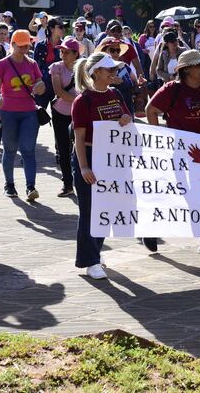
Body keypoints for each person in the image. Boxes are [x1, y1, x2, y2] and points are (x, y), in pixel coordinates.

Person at [143, 50, 200, 256]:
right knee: (174, 194)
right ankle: (151, 228)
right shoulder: (172, 90)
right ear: (185, 70)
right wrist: (160, 137)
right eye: (198, 65)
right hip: (179, 153)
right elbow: (150, 110)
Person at [71, 52, 132, 279]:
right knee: (89, 210)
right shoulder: (83, 100)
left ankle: (95, 252)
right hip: (89, 155)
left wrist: (127, 119)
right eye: (110, 70)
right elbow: (79, 137)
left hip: (112, 158)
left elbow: (127, 118)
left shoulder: (115, 93)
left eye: (115, 70)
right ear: (96, 72)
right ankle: (89, 261)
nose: (114, 73)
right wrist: (84, 167)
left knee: (105, 207)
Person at [0, 30, 44, 200]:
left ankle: (31, 187)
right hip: (8, 111)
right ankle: (9, 185)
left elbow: (41, 85)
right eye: (20, 46)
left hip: (29, 111)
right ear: (12, 44)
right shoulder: (3, 64)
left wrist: (40, 86)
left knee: (28, 150)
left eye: (27, 46)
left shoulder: (32, 63)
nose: (24, 49)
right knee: (10, 150)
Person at [50, 36, 80, 197]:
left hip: (79, 114)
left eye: (67, 52)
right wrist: (80, 101)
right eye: (61, 51)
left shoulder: (84, 67)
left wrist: (82, 104)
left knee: (81, 148)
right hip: (60, 112)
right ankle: (67, 184)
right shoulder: (56, 67)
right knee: (63, 148)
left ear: (76, 54)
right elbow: (59, 92)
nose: (63, 54)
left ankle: (83, 182)